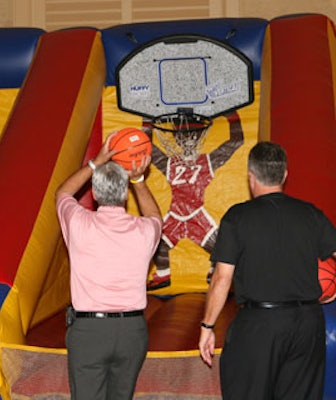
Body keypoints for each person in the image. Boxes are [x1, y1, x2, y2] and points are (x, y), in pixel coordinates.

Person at [199, 141, 336, 400]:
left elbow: (221, 279)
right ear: (284, 175)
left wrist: (208, 326)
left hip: (260, 325)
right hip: (307, 323)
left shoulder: (237, 217)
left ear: (250, 177)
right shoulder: (310, 214)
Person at [55, 132, 163, 400]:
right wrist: (138, 180)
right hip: (132, 331)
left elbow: (63, 192)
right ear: (125, 193)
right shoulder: (143, 230)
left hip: (89, 331)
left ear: (94, 191)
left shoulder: (79, 224)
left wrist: (96, 162)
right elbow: (154, 215)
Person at [145, 111, 244, 290]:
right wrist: (146, 118)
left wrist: (232, 116)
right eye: (183, 136)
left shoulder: (206, 161)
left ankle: (216, 272)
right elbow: (149, 147)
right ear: (178, 140)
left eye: (192, 136)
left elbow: (236, 141)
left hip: (197, 215)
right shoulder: (170, 163)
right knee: (154, 243)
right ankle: (163, 275)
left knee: (222, 248)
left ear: (199, 139)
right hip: (176, 215)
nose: (188, 140)